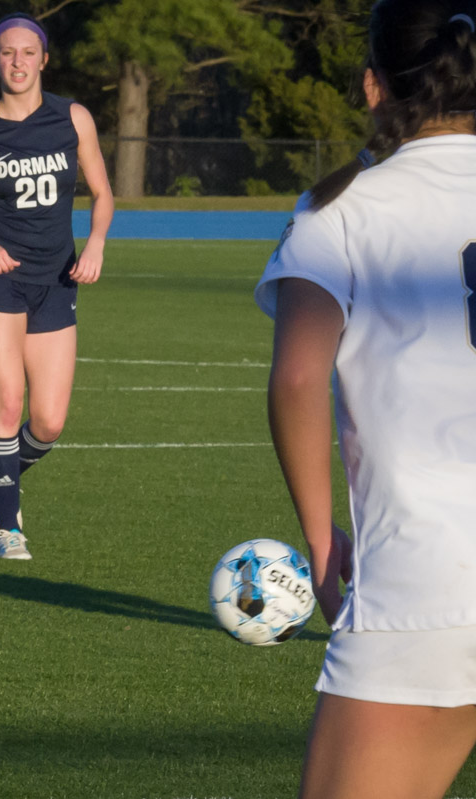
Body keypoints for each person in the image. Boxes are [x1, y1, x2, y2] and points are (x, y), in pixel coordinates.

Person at [255, 1, 476, 796]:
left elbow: (299, 378)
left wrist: (320, 543)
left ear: (373, 86)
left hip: (429, 586)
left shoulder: (341, 207)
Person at [0, 12, 114, 560]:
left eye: (27, 53)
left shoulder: (73, 118)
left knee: (49, 420)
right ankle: (8, 524)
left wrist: (95, 244)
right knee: (7, 398)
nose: (17, 62)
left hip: (57, 277)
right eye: (7, 53)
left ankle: (3, 477)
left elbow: (102, 194)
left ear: (44, 59)